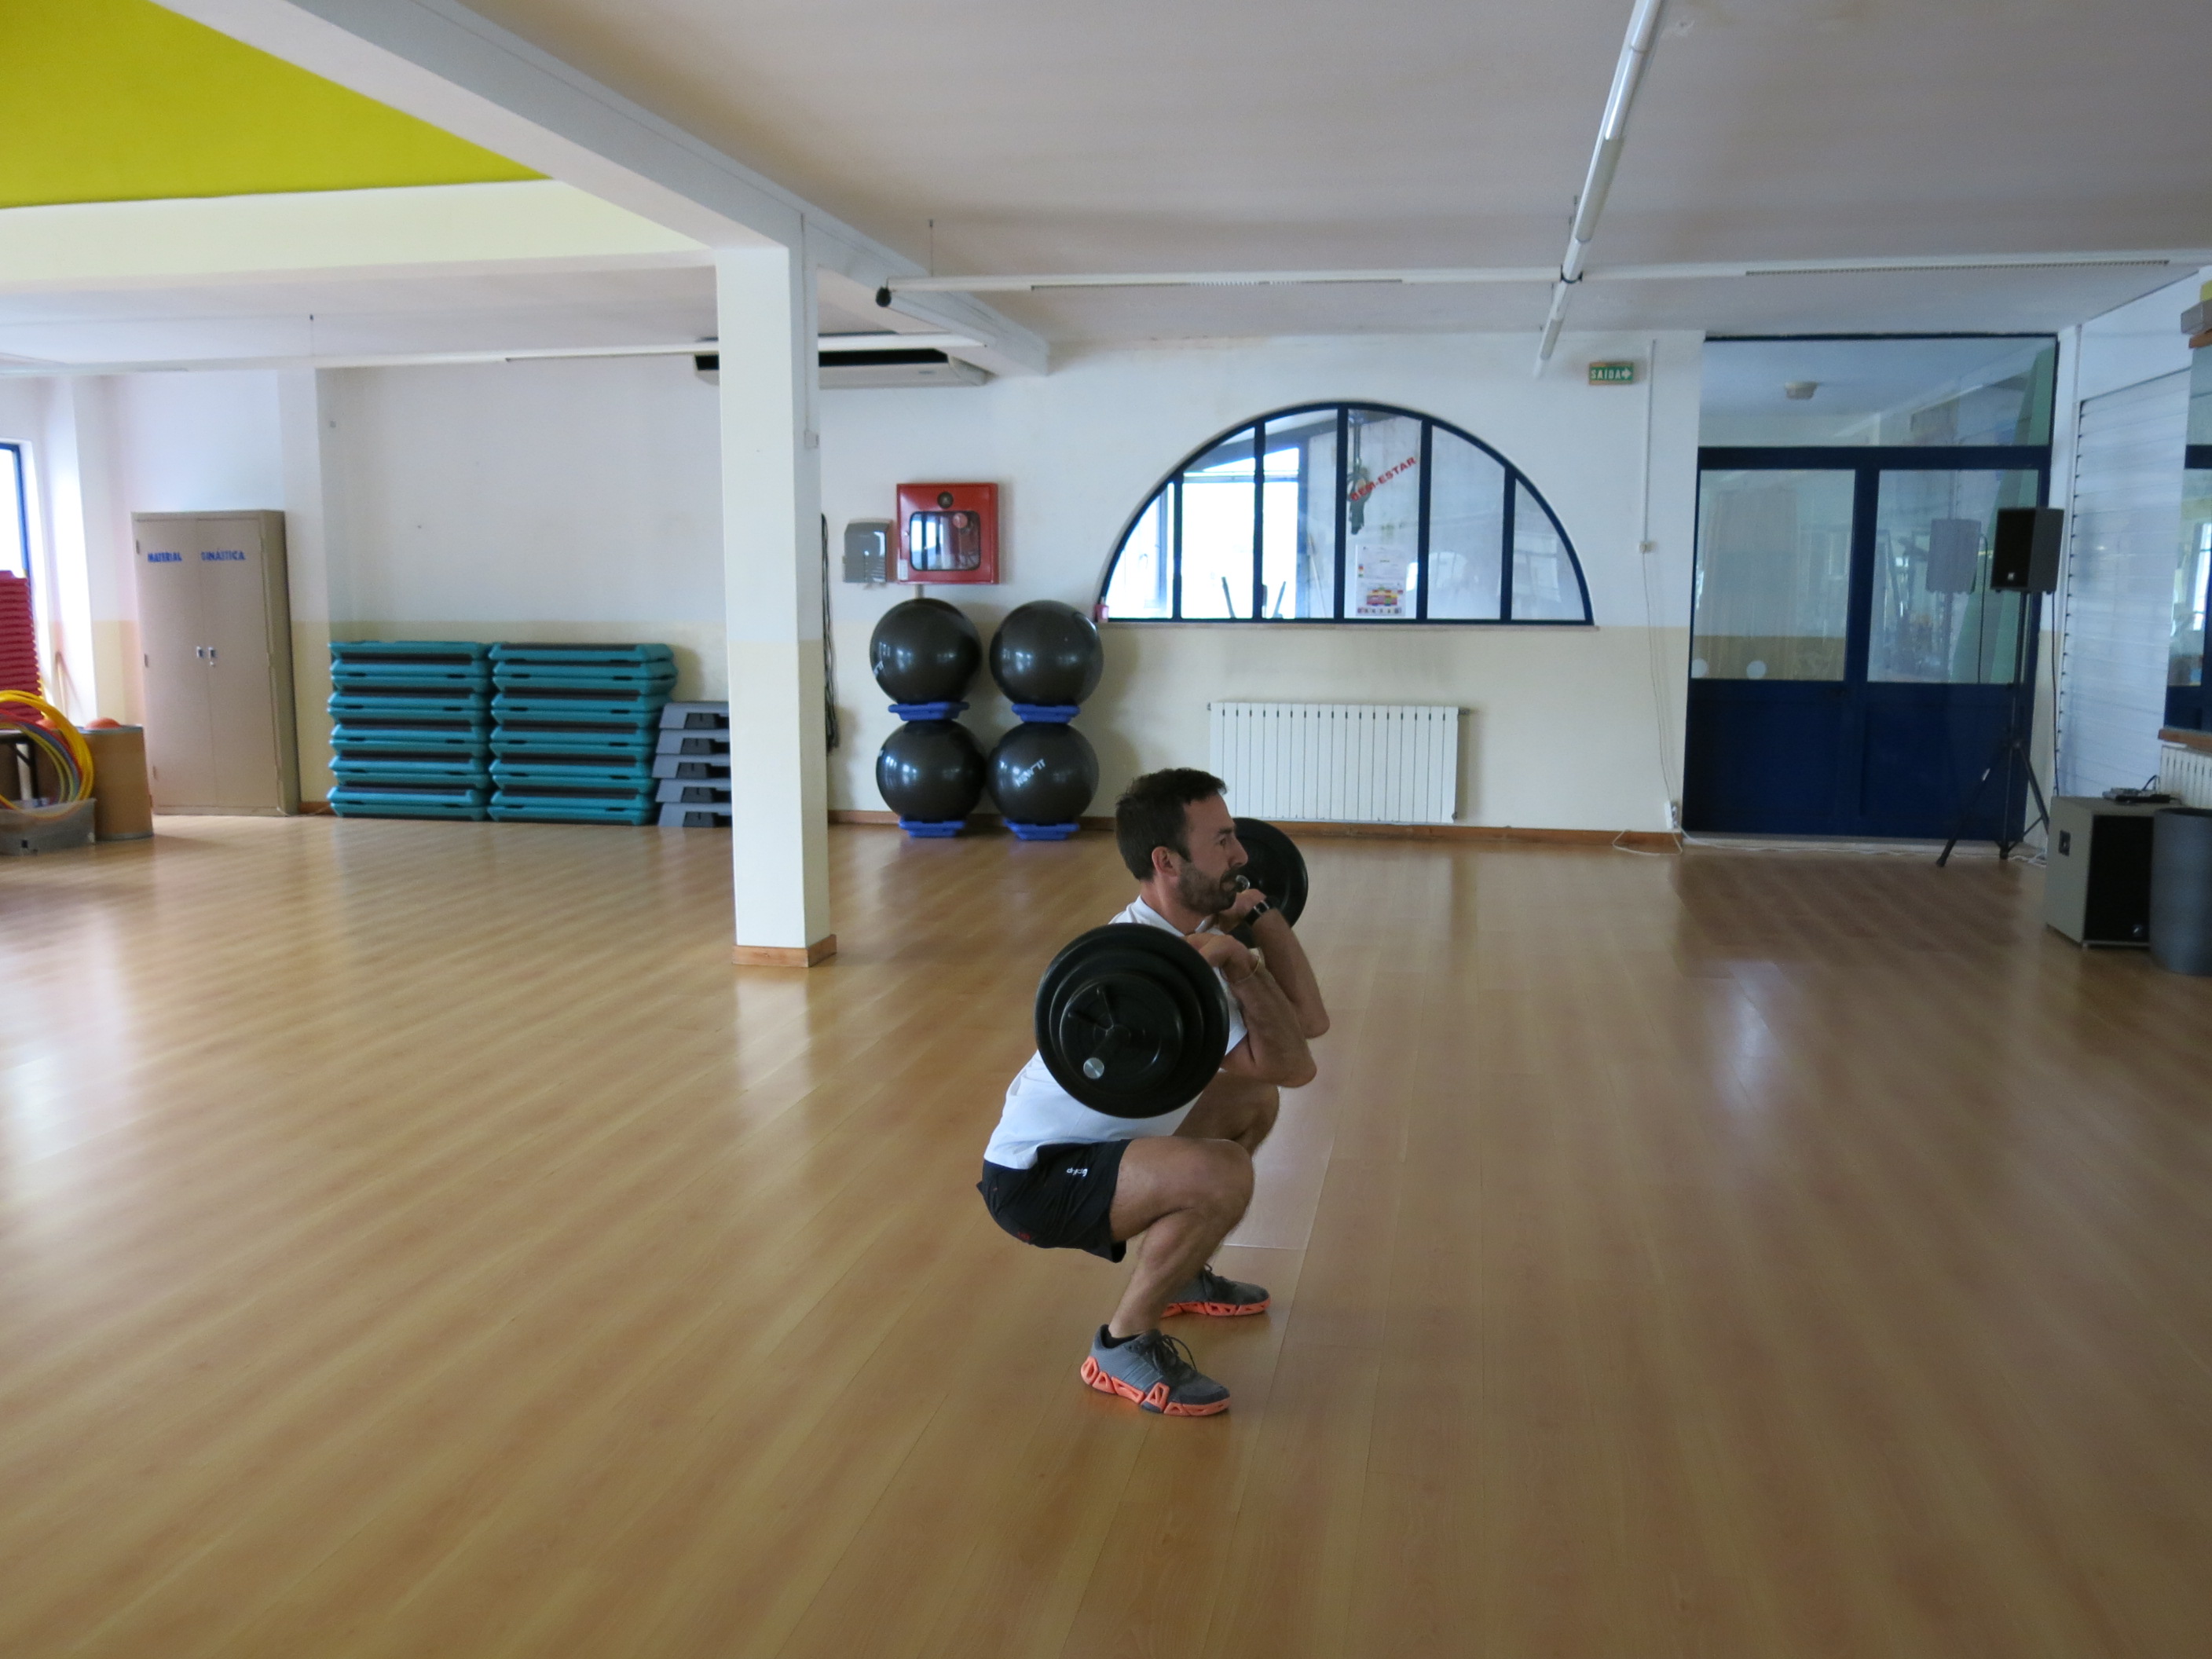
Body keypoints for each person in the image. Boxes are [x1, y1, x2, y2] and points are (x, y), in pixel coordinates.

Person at [979, 768, 1329, 1415]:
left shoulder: (1194, 939)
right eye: (1221, 841)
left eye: (1234, 837)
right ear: (1167, 862)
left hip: (1106, 1142)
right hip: (1038, 1179)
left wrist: (1259, 919)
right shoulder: (1152, 961)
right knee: (1221, 1173)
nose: (1241, 854)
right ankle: (1122, 1344)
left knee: (1251, 1102)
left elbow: (1308, 1024)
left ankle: (1182, 1273)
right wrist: (1240, 962)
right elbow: (1295, 1063)